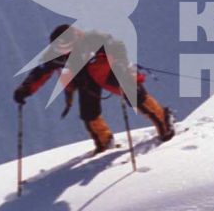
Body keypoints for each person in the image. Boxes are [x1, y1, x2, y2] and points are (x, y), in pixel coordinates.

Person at [14, 23, 175, 151]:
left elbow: (116, 46)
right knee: (89, 114)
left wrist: (119, 62)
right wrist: (25, 90)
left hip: (110, 71)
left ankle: (163, 120)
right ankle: (105, 141)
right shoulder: (56, 55)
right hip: (87, 80)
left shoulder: (94, 39)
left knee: (135, 96)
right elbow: (40, 72)